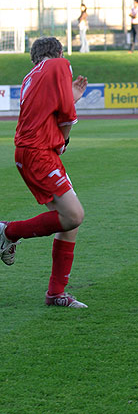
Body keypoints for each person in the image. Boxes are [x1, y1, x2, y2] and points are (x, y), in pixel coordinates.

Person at [0, 37, 89, 308]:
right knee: (74, 215)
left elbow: (50, 109)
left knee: (70, 222)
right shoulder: (58, 64)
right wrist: (65, 138)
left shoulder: (33, 75)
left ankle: (55, 293)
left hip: (33, 151)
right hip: (39, 152)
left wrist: (67, 96)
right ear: (60, 53)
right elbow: (67, 116)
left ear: (33, 58)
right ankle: (8, 232)